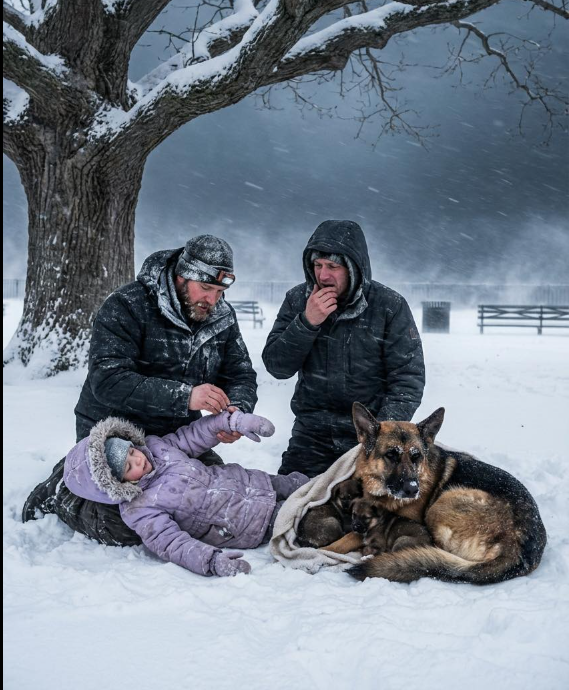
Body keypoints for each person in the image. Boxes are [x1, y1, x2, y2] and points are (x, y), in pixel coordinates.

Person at [22, 235, 258, 547]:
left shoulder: (221, 318)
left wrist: (237, 411)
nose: (212, 299)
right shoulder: (127, 305)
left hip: (175, 439)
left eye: (219, 292)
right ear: (181, 276)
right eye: (205, 288)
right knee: (128, 525)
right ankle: (64, 489)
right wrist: (185, 396)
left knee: (216, 497)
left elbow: (240, 373)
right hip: (115, 439)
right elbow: (108, 380)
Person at [262, 220, 425, 478]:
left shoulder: (389, 306)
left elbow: (407, 380)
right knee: (292, 498)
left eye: (333, 266)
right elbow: (277, 366)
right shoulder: (298, 300)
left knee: (367, 503)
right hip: (311, 435)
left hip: (368, 436)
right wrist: (307, 322)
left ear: (353, 268)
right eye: (318, 265)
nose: (323, 276)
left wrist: (379, 434)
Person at [63, 410, 308, 577]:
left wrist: (232, 422)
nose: (138, 459)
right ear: (116, 483)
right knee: (303, 515)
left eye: (131, 452)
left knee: (307, 486)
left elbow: (194, 435)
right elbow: (172, 544)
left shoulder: (157, 447)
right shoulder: (139, 509)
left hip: (252, 481)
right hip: (244, 523)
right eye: (128, 467)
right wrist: (211, 561)